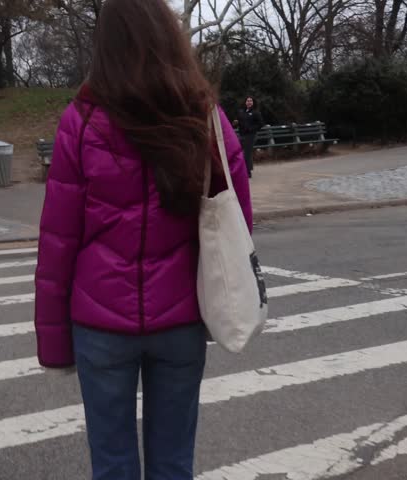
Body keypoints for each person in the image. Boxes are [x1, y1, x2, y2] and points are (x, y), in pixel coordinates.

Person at [33, 0, 252, 479]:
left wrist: (53, 343)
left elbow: (58, 243)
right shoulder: (204, 117)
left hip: (100, 324)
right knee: (174, 462)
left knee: (112, 464)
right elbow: (237, 216)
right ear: (168, 37)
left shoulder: (83, 121)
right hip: (180, 320)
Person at [235, 96, 264, 178]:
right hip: (242, 135)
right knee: (240, 153)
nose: (249, 102)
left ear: (253, 102)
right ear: (245, 102)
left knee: (246, 154)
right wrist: (236, 122)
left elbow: (261, 124)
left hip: (251, 135)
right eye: (248, 100)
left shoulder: (256, 112)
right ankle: (246, 169)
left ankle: (248, 173)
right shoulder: (241, 112)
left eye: (251, 101)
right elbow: (239, 121)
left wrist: (251, 129)